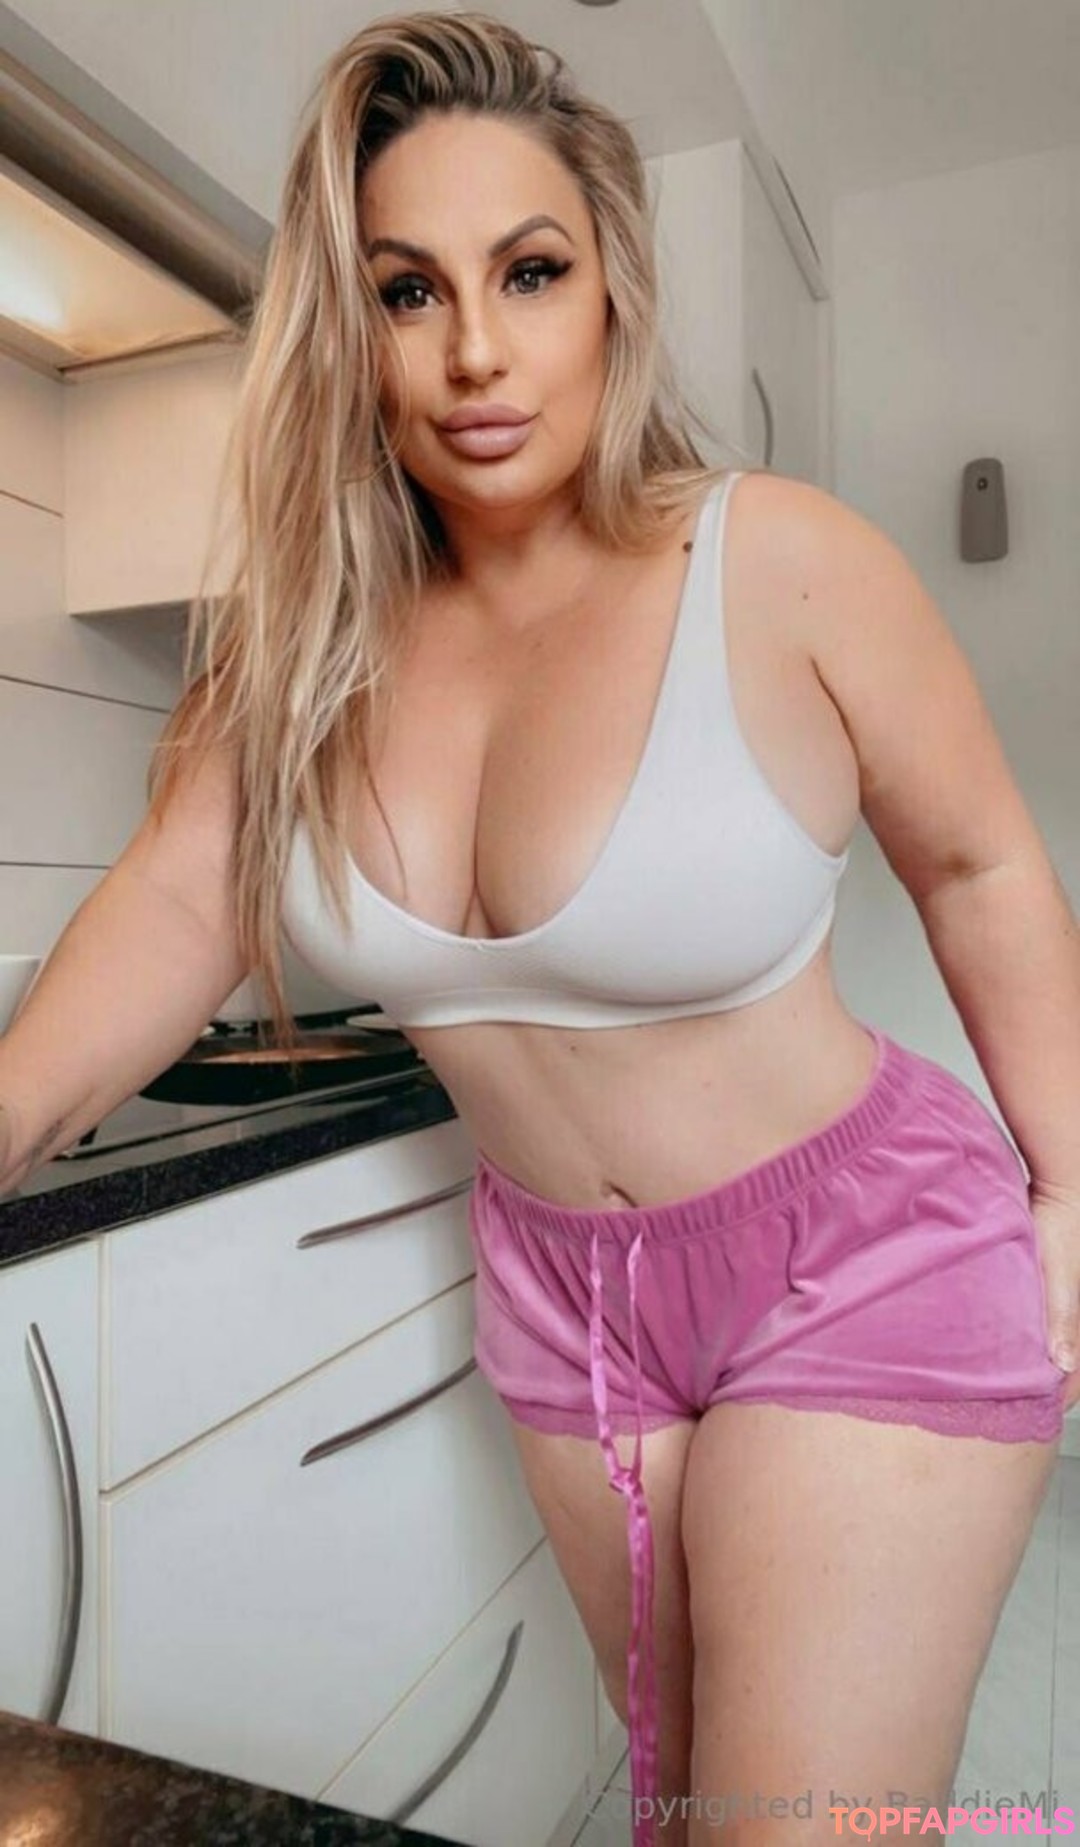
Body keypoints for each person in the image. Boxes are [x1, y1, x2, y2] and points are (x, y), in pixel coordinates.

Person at [2, 11, 1078, 1845]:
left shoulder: (782, 561)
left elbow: (982, 869)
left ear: (612, 292)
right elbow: (178, 898)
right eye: (406, 292)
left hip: (859, 1252)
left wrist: (1074, 1191)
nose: (476, 352)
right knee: (678, 1800)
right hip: (563, 1303)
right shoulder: (301, 655)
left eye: (530, 271)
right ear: (348, 331)